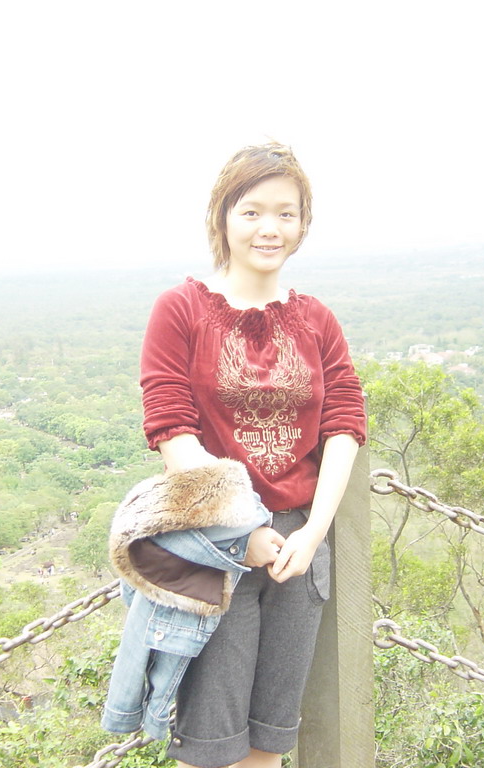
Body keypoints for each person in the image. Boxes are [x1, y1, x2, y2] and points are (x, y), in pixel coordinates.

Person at [140, 142, 367, 768]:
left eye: (286, 214)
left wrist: (313, 531)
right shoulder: (181, 310)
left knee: (271, 740)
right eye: (252, 211)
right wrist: (247, 526)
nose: (270, 228)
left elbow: (345, 423)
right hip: (218, 541)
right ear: (223, 218)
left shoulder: (316, 319)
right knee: (210, 747)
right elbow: (170, 426)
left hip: (299, 547)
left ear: (303, 223)